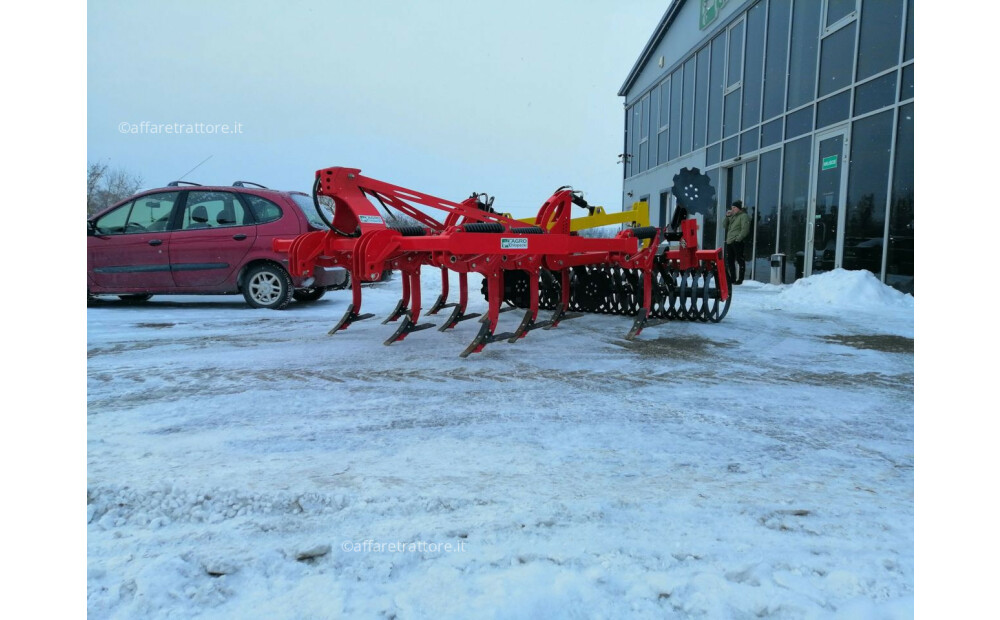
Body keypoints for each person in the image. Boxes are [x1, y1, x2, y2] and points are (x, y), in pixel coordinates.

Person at [723, 200, 750, 284]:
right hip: (729, 241)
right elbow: (724, 226)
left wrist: (738, 239)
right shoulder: (733, 216)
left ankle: (740, 279)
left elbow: (745, 229)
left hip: (737, 241)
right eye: (732, 207)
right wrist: (727, 217)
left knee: (740, 260)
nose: (732, 209)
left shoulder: (744, 216)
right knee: (730, 261)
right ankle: (732, 279)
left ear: (738, 208)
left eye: (734, 207)